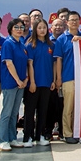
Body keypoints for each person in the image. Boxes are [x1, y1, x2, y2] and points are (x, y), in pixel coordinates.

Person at [54, 11, 81, 144]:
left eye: (77, 20)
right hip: (68, 77)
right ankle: (67, 133)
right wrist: (59, 78)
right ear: (66, 22)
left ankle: (78, 132)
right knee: (68, 108)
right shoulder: (62, 39)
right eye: (72, 20)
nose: (74, 22)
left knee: (80, 108)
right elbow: (58, 60)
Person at [23, 19, 55, 147]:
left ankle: (40, 135)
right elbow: (29, 64)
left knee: (43, 111)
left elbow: (54, 64)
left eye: (44, 27)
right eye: (39, 28)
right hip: (33, 83)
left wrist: (53, 80)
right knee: (30, 111)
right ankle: (28, 137)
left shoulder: (51, 45)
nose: (42, 30)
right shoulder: (30, 45)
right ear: (35, 29)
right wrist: (32, 82)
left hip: (46, 83)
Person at [0, 18, 29, 151]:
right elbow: (9, 63)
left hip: (21, 84)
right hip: (11, 83)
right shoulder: (8, 43)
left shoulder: (21, 44)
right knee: (7, 112)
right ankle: (3, 139)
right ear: (10, 29)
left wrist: (25, 80)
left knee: (14, 112)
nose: (19, 29)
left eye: (21, 27)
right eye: (16, 27)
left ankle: (12, 138)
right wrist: (17, 80)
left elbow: (26, 63)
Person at [45, 18, 65, 141]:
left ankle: (62, 131)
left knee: (62, 106)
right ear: (51, 28)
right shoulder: (47, 41)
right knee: (50, 106)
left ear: (64, 27)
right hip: (50, 79)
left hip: (65, 77)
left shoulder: (66, 40)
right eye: (55, 25)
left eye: (60, 25)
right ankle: (48, 131)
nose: (58, 27)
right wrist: (54, 79)